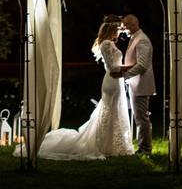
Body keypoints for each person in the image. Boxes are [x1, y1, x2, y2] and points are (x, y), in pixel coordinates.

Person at [34, 19, 134, 160]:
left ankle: (115, 144)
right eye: (117, 30)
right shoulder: (106, 44)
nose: (119, 32)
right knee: (109, 112)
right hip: (112, 82)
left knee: (114, 112)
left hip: (116, 81)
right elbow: (112, 68)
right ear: (111, 30)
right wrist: (131, 67)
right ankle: (105, 145)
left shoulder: (110, 43)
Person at [112, 14, 155, 155]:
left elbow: (142, 65)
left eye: (125, 25)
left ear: (133, 24)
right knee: (139, 117)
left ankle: (145, 149)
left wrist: (124, 75)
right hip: (135, 83)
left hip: (141, 84)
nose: (123, 28)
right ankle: (143, 147)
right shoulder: (135, 38)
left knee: (142, 118)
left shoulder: (142, 40)